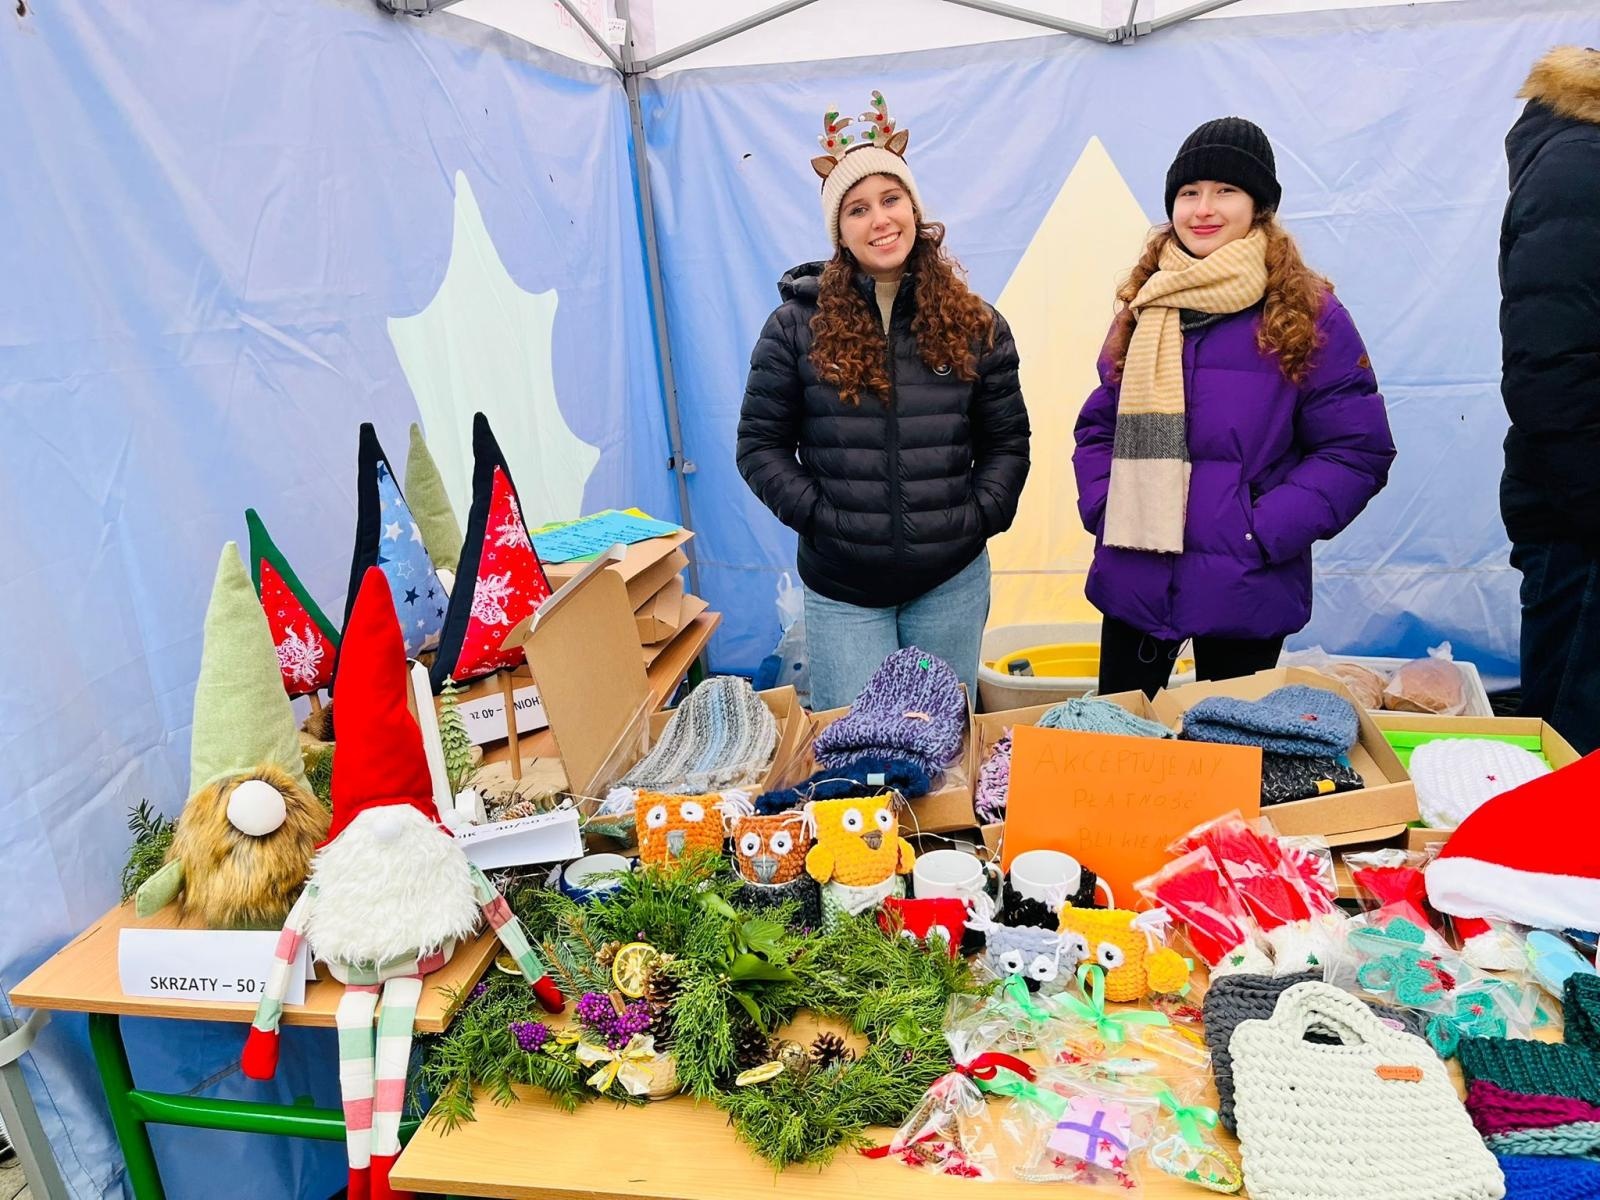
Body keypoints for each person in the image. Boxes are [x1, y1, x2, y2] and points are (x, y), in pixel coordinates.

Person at [1074, 117, 1395, 697]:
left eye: (1226, 191)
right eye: (1189, 193)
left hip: (1246, 584)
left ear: (1259, 205)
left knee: (1231, 766)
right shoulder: (1145, 305)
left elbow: (1356, 450)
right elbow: (1100, 426)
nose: (1204, 208)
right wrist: (1106, 504)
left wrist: (1261, 531)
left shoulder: (1308, 312)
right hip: (1136, 573)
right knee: (1121, 759)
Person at [737, 92, 1030, 710]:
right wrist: (824, 519)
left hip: (950, 581)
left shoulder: (976, 324)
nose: (880, 220)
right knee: (862, 760)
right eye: (858, 209)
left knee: (942, 752)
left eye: (891, 199)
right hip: (844, 588)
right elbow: (759, 447)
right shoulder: (794, 327)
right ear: (838, 231)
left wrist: (976, 517)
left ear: (914, 208)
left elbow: (1007, 443)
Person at [1499, 46, 1600, 755]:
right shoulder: (1581, 165)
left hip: (1574, 503)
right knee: (1577, 756)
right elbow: (1550, 362)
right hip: (1582, 514)